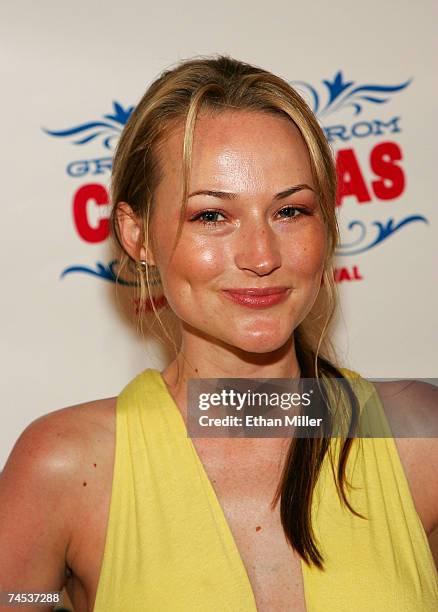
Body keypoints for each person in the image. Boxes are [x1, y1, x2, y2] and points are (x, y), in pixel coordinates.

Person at [0, 56, 437, 612]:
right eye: (211, 216)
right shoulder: (66, 467)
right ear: (137, 236)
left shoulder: (419, 440)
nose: (261, 256)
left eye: (291, 211)